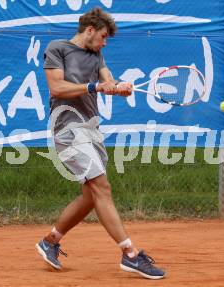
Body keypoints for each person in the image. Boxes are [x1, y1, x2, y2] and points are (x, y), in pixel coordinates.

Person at [35, 7, 165, 280]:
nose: (105, 43)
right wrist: (93, 87)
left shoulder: (97, 54)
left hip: (92, 129)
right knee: (101, 187)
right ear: (90, 30)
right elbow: (57, 88)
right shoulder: (57, 49)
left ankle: (50, 241)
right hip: (67, 128)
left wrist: (121, 87)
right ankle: (130, 255)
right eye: (103, 36)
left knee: (91, 197)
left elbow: (109, 81)